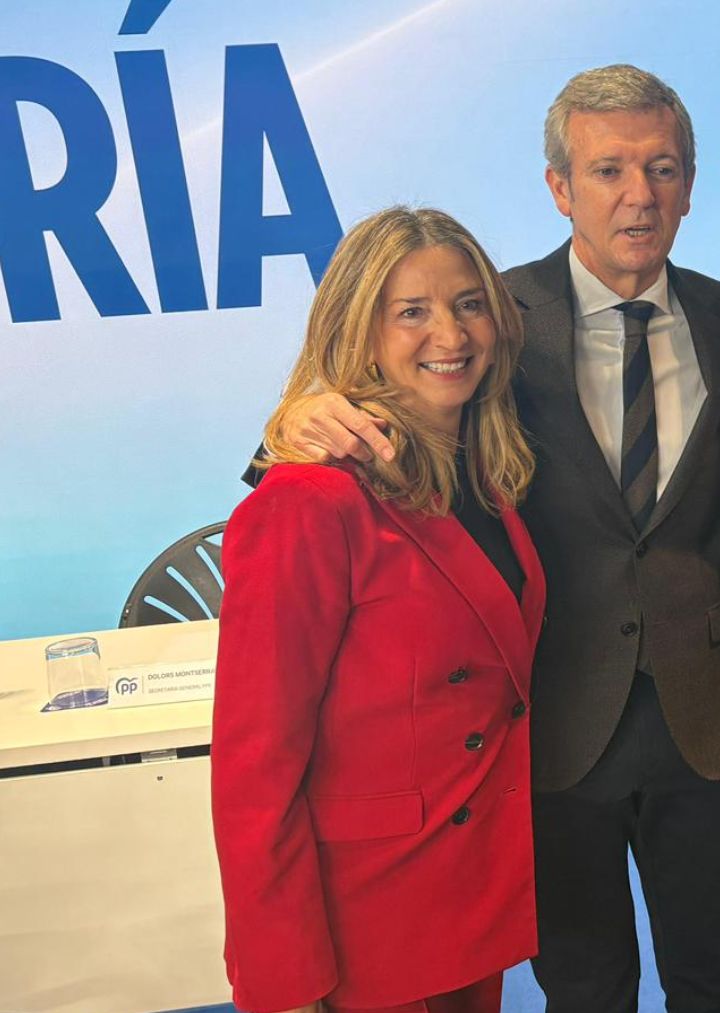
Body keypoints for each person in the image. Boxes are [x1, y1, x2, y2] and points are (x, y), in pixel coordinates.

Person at [269, 65, 720, 1011]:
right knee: (584, 988)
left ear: (690, 186)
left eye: (662, 168)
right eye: (608, 169)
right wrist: (294, 422)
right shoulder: (487, 316)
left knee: (715, 983)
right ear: (559, 187)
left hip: (707, 721)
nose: (638, 194)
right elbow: (380, 402)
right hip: (549, 723)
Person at [212, 206, 541, 1013]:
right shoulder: (307, 501)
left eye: (468, 304)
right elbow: (255, 767)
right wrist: (282, 977)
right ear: (358, 331)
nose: (449, 334)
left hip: (467, 890)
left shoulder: (485, 475)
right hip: (369, 922)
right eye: (412, 311)